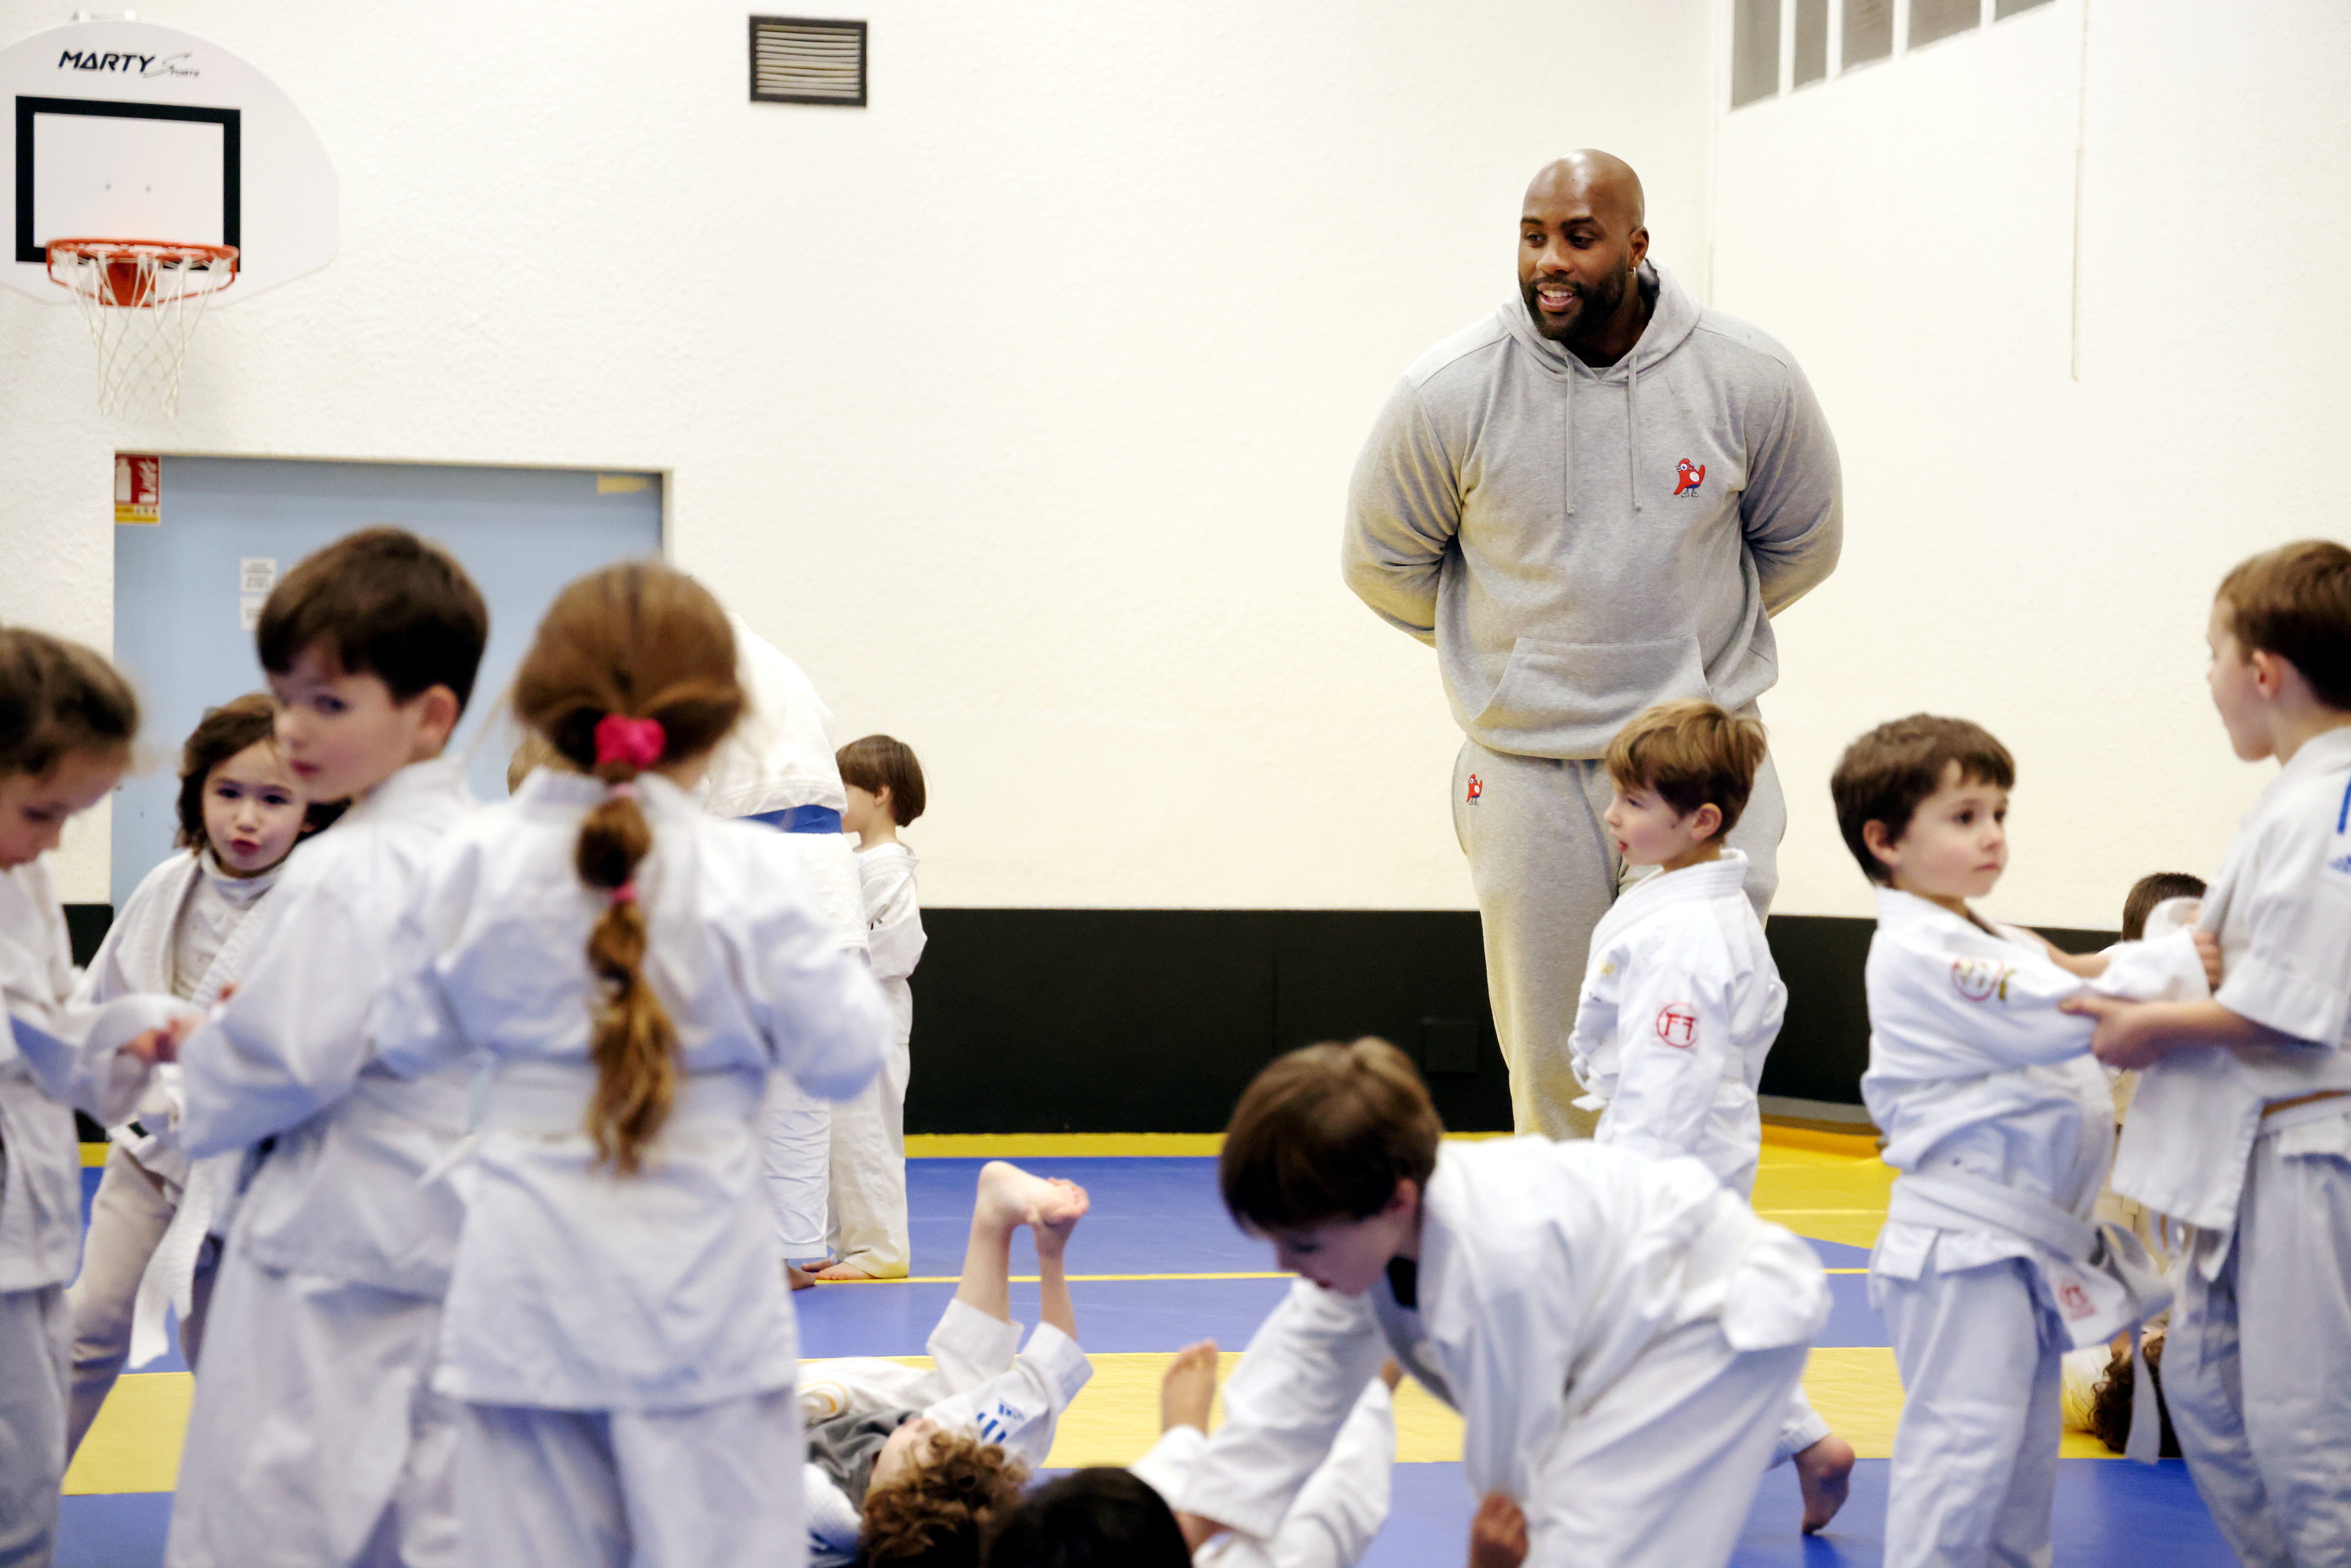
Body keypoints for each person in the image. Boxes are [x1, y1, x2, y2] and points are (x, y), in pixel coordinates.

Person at [367, 560, 890, 1568]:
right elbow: (845, 1053)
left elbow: (405, 1039)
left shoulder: (477, 857)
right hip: (699, 1286)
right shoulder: (747, 873)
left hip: (520, 1275)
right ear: (718, 725)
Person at [1341, 150, 1841, 1140]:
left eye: (1577, 236)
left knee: (1694, 1056)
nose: (1548, 261)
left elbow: (1801, 544)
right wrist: (1505, 658)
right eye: (1532, 237)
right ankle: (1572, 1289)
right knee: (1559, 1071)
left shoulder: (1749, 375)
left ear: (1636, 245)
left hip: (1705, 766)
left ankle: (1678, 1280)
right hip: (1529, 772)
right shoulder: (1448, 391)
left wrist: (1691, 660)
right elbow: (1381, 563)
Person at [1170, 1039, 1829, 1568]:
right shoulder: (1373, 1225)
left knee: (1591, 1541)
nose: (1285, 1263)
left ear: (1397, 1201)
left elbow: (1517, 1466)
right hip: (1624, 1311)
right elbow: (1298, 1386)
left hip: (1712, 1317)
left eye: (1302, 1241)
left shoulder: (1496, 1261)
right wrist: (1187, 1530)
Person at [164, 527, 489, 1568]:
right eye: (284, 694)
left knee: (276, 1513)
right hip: (437, 1224)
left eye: (329, 702)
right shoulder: (476, 845)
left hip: (329, 1238)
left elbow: (278, 1067)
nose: (293, 729)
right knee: (417, 1504)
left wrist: (206, 1044)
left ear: (430, 713)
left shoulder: (350, 867)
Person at [1831, 715, 2211, 1568]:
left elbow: (2083, 971)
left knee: (2018, 1478)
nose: (1993, 836)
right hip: (1964, 1256)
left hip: (2024, 1254)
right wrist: (2192, 966)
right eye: (1965, 818)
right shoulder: (1927, 953)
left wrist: (2176, 950)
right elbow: (2072, 1008)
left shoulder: (1990, 940)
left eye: (1999, 813)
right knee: (1962, 1469)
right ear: (1885, 841)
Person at [2067, 539, 2351, 1568]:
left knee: (2303, 1430)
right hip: (2255, 1155)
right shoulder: (2291, 797)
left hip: (2310, 1148)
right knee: (2202, 1387)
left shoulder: (2331, 801)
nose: (2208, 675)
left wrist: (2145, 1027)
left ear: (2263, 669)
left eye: (2212, 650)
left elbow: (2288, 1001)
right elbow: (2222, 966)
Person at [1565, 699, 1854, 1530]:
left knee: (1650, 1316)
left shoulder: (1690, 934)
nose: (1612, 815)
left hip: (1674, 1153)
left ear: (1702, 820)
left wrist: (1637, 1186)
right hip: (1688, 1142)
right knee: (1704, 1312)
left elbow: (1671, 1077)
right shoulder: (1684, 901)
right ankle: (1807, 1444)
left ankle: (1656, 1479)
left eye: (1632, 803)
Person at [63, 693, 323, 1457]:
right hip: (149, 1156)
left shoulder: (318, 907)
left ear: (312, 812)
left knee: (230, 1366)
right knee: (87, 1326)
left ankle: (255, 1531)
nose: (248, 818)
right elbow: (98, 1003)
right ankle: (18, 1498)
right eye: (229, 792)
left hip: (247, 1178)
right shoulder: (166, 886)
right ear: (197, 795)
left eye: (275, 799)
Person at [0, 628, 185, 1567]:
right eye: (42, 810)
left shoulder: (22, 875)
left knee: (29, 1486)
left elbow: (58, 1020)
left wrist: (134, 1035)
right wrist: (73, 1035)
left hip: (28, 1239)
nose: (55, 841)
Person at [797, 1159, 1093, 1568]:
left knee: (962, 1394)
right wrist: (1052, 1256)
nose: (925, 1428)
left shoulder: (817, 1515)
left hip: (785, 1408)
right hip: (869, 1403)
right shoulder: (957, 1472)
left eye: (921, 1447)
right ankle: (994, 1218)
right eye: (933, 1440)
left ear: (882, 1509)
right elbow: (1051, 1376)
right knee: (974, 1408)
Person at [700, 615, 878, 1286]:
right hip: (827, 876)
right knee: (801, 1089)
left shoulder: (697, 662)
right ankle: (798, 1245)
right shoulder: (783, 668)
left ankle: (743, 1244)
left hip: (758, 867)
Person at [824, 733, 928, 1283]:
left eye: (844, 789)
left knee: (867, 1130)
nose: (836, 800)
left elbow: (900, 947)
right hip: (844, 1013)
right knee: (838, 1132)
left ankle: (880, 1249)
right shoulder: (853, 857)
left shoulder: (888, 865)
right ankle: (846, 1243)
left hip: (871, 1015)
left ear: (880, 793)